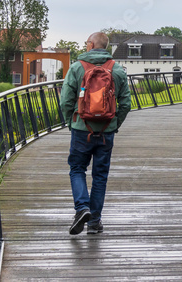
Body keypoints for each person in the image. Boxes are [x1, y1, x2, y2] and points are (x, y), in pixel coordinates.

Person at [59, 32, 131, 235]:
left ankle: (82, 208)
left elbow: (65, 101)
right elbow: (125, 103)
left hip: (82, 129)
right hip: (107, 130)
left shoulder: (76, 67)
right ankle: (94, 222)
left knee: (77, 169)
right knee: (100, 176)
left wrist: (71, 122)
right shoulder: (116, 69)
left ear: (90, 44)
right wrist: (114, 124)